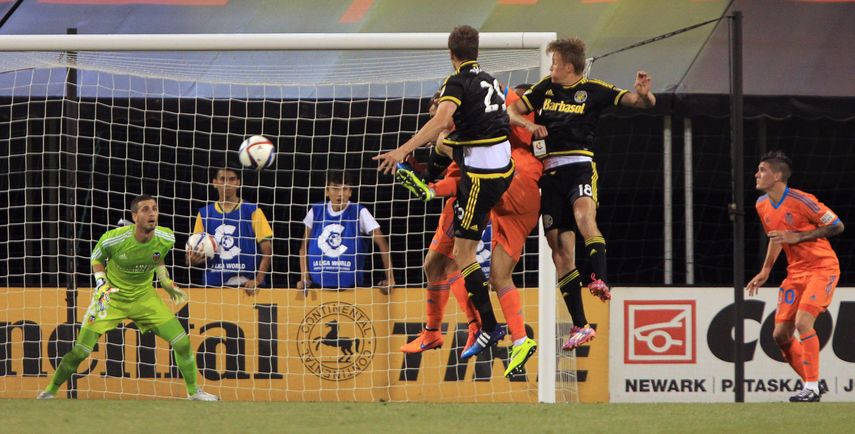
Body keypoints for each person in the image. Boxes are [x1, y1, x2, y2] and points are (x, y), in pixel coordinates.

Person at [375, 25, 515, 365]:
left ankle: (486, 324)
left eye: (442, 103)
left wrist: (401, 151)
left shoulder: (457, 88)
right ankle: (436, 331)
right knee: (435, 264)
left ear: (451, 54)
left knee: (462, 255)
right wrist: (424, 172)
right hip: (497, 170)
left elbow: (441, 122)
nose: (439, 106)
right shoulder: (492, 82)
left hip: (482, 178)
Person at [507, 37, 655, 350]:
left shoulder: (595, 89)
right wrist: (529, 126)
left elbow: (637, 102)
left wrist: (645, 95)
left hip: (579, 166)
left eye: (555, 63)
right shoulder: (544, 88)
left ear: (570, 66)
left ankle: (599, 278)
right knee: (558, 248)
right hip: (550, 175)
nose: (551, 68)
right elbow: (510, 112)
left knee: (584, 214)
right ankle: (580, 324)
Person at [396, 82, 541, 377]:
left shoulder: (474, 130)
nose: (432, 115)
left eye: (436, 107)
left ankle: (480, 326)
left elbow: (463, 177)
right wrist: (425, 172)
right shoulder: (480, 130)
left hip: (490, 186)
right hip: (510, 194)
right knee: (442, 265)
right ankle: (444, 332)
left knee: (455, 259)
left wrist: (429, 185)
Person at [37, 194, 217, 401]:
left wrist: (165, 282)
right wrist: (101, 283)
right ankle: (50, 391)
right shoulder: (115, 238)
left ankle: (194, 392)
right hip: (111, 299)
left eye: (154, 208)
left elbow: (157, 258)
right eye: (145, 209)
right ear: (135, 216)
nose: (152, 213)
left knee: (182, 342)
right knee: (80, 352)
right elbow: (96, 258)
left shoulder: (166, 237)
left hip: (144, 298)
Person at [746, 151, 843, 402]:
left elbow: (836, 225)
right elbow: (777, 238)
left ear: (777, 175)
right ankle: (814, 384)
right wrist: (766, 269)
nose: (757, 174)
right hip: (795, 272)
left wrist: (798, 236)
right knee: (780, 335)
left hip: (822, 267)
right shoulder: (761, 204)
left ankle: (810, 388)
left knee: (803, 322)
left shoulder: (802, 200)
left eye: (762, 170)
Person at [297, 171, 395, 293]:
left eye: (345, 189)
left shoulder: (359, 211)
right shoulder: (316, 211)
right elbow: (303, 247)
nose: (340, 194)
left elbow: (382, 243)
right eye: (335, 188)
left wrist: (390, 278)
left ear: (350, 192)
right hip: (317, 289)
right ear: (327, 191)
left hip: (351, 289)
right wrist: (304, 278)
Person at [187, 165, 273, 295]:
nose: (227, 183)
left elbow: (267, 251)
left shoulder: (253, 211)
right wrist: (191, 260)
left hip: (246, 286)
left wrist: (258, 280)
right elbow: (192, 253)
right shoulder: (204, 214)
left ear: (238, 183)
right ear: (214, 182)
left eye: (232, 179)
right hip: (213, 286)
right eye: (222, 179)